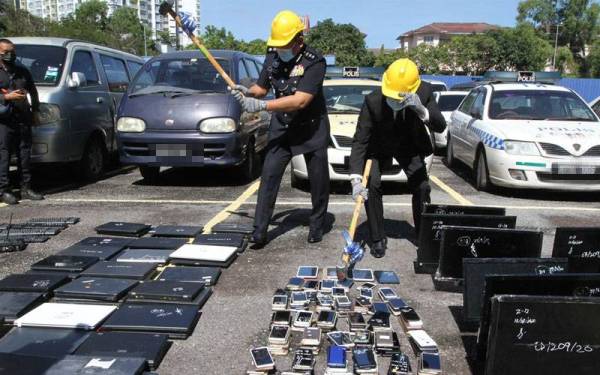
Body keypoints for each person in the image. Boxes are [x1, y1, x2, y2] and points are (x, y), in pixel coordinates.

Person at [230, 10, 330, 248]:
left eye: (285, 45)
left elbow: (301, 100)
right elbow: (261, 88)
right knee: (269, 176)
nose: (280, 49)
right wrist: (245, 90)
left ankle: (317, 226)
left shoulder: (314, 61)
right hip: (283, 127)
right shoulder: (273, 56)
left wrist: (262, 105)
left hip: (311, 127)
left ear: (299, 40)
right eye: (277, 45)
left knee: (318, 181)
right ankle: (259, 231)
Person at [348, 58, 445, 258]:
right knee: (371, 185)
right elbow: (360, 140)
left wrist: (422, 111)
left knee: (422, 186)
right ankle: (377, 238)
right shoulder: (373, 101)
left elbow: (441, 125)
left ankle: (422, 235)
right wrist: (355, 179)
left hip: (409, 146)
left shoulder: (424, 92)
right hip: (378, 147)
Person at [0, 38, 43, 205]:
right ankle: (4, 190)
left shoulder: (22, 70)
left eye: (13, 51)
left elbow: (33, 91)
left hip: (23, 117)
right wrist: (6, 97)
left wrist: (36, 110)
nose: (11, 55)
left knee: (24, 154)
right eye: (7, 52)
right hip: (4, 120)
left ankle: (26, 187)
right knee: (3, 155)